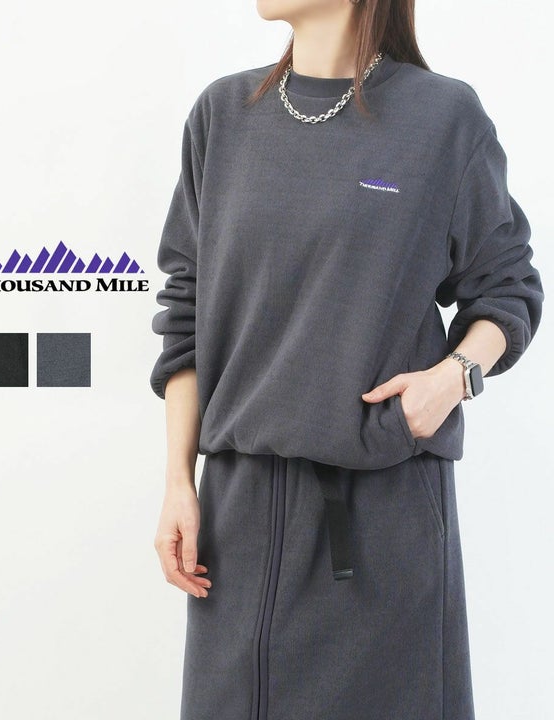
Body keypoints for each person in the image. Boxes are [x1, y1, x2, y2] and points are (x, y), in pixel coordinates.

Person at [150, 1, 545, 719]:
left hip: (380, 520)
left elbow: (508, 288)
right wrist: (179, 483)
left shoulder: (442, 119)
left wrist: (452, 379)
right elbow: (186, 315)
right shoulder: (222, 117)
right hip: (236, 525)